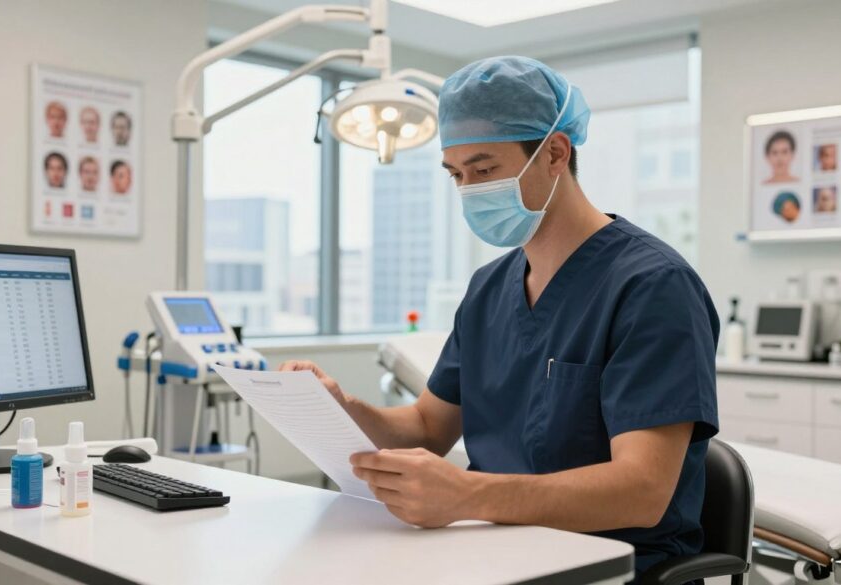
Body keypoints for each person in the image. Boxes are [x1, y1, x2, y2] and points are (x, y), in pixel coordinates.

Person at [280, 56, 720, 576]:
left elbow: (642, 491)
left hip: (611, 564)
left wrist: (466, 495)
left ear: (555, 152)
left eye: (484, 169)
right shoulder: (489, 288)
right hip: (491, 550)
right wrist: (342, 407)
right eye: (456, 174)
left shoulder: (652, 287)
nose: (469, 189)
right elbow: (426, 428)